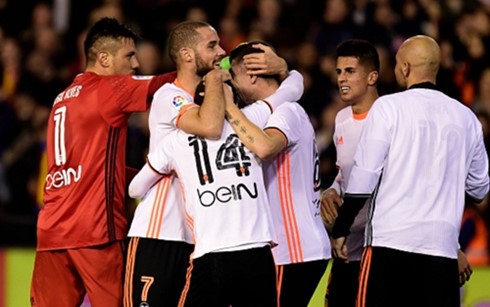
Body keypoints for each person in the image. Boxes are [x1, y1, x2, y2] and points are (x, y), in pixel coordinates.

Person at [124, 21, 303, 307]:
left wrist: (283, 67)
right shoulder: (169, 96)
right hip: (159, 233)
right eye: (211, 46)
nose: (221, 52)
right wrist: (220, 82)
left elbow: (288, 92)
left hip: (201, 240)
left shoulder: (230, 113)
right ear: (185, 54)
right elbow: (210, 126)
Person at [331, 35, 490, 307]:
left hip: (388, 246)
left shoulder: (388, 108)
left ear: (405, 67)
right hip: (441, 251)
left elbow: (363, 178)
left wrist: (341, 228)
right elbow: (479, 189)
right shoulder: (466, 118)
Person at [30, 17, 176, 306]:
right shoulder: (108, 89)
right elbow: (167, 85)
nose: (135, 65)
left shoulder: (62, 98)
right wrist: (214, 66)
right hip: (95, 232)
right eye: (129, 56)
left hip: (52, 232)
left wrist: (147, 176)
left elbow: (88, 167)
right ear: (104, 58)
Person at [223, 41, 331, 307]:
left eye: (232, 79)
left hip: (292, 251)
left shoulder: (287, 111)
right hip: (299, 250)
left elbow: (265, 146)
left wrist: (228, 109)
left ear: (251, 75)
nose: (232, 89)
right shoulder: (286, 108)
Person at [320, 39, 380, 307]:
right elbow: (344, 174)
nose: (342, 78)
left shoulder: (389, 117)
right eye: (338, 72)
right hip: (345, 247)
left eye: (350, 71)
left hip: (378, 248)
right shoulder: (341, 118)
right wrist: (331, 190)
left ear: (372, 76)